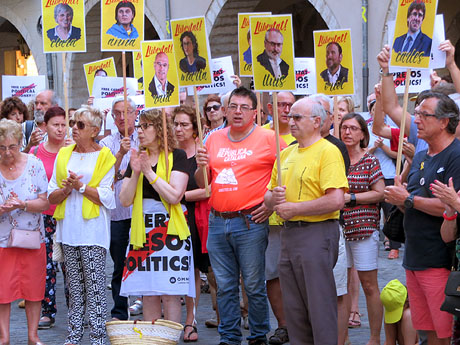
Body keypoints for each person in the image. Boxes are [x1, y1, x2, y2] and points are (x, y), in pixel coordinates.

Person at [195, 86, 281, 345]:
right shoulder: (212, 138)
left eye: (244, 107)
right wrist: (200, 167)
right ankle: (229, 337)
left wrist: (270, 204)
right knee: (224, 285)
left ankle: (258, 337)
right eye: (233, 106)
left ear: (255, 112)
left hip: (250, 222)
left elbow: (285, 174)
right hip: (218, 220)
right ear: (225, 110)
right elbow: (203, 183)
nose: (238, 112)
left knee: (254, 285)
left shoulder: (270, 138)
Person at [264, 96, 348, 345]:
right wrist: (273, 199)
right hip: (289, 234)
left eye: (297, 117)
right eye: (290, 116)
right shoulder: (286, 153)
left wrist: (295, 208)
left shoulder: (328, 151)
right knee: (294, 307)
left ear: (316, 121)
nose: (291, 121)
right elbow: (268, 196)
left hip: (317, 232)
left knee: (319, 305)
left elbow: (336, 200)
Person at [384, 92, 460, 344]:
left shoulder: (456, 156)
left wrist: (406, 199)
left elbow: (449, 206)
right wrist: (401, 199)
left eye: (424, 115)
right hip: (414, 257)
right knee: (426, 331)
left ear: (444, 121)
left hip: (439, 260)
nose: (416, 120)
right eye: (416, 114)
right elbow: (412, 203)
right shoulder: (419, 156)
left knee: (443, 334)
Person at [48, 106, 116, 345]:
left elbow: (108, 197)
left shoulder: (105, 156)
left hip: (93, 232)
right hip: (69, 231)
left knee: (96, 288)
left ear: (95, 130)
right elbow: (51, 195)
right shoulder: (64, 154)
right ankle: (74, 336)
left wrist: (80, 187)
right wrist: (66, 189)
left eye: (80, 125)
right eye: (73, 123)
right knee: (75, 289)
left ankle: (98, 338)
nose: (73, 128)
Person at [119, 109, 194, 324]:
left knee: (170, 291)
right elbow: (125, 200)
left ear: (160, 129)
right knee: (148, 290)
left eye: (146, 126)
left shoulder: (176, 156)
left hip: (169, 231)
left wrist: (149, 173)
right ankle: (152, 338)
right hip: (142, 230)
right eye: (139, 127)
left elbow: (174, 195)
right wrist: (135, 172)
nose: (140, 131)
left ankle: (169, 338)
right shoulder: (136, 158)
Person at [0, 119, 49, 345]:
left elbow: (44, 203)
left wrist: (22, 205)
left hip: (31, 238)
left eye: (11, 146)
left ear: (20, 142)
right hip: (2, 241)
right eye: (1, 147)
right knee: (2, 291)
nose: (7, 152)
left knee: (34, 289)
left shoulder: (34, 163)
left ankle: (33, 336)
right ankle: (4, 337)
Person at [340, 113, 385, 345]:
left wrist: (351, 198)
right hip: (338, 229)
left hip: (364, 229)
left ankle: (375, 338)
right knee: (342, 286)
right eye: (344, 128)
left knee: (369, 284)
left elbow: (379, 192)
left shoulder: (370, 161)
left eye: (353, 128)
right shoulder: (334, 158)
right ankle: (343, 337)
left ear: (362, 135)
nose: (347, 132)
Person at [29, 107, 71, 330]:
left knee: (70, 265)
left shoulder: (72, 149)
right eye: (56, 124)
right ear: (45, 126)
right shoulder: (36, 152)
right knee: (46, 266)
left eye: (64, 124)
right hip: (43, 216)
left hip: (67, 215)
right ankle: (48, 310)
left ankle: (75, 310)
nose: (60, 129)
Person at [314, 93, 351, 345]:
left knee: (336, 290)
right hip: (301, 231)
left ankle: (339, 340)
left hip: (329, 225)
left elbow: (337, 194)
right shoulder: (294, 148)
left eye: (328, 113)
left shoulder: (336, 146)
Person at [99, 97, 139, 321]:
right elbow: (105, 176)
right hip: (117, 214)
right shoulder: (106, 144)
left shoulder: (145, 138)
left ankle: (148, 303)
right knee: (119, 265)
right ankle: (120, 311)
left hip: (140, 212)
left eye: (126, 112)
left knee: (145, 258)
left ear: (135, 113)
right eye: (117, 113)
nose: (122, 117)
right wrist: (121, 154)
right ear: (112, 118)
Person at [261, 91, 295, 345]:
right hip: (269, 219)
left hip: (299, 217)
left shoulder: (302, 134)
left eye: (289, 105)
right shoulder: (261, 134)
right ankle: (283, 325)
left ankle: (302, 323)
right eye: (280, 104)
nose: (284, 109)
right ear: (269, 107)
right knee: (272, 273)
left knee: (300, 273)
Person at [173, 105, 210, 342]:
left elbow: (208, 190)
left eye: (184, 124)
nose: (178, 129)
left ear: (195, 129)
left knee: (192, 270)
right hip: (172, 218)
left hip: (196, 218)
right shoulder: (169, 153)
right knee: (173, 268)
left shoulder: (202, 153)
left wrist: (180, 196)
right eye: (175, 123)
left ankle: (190, 320)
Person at [380, 279, 418, 345]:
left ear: (407, 302)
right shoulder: (390, 310)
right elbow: (389, 342)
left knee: (407, 315)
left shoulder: (409, 315)